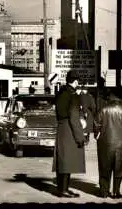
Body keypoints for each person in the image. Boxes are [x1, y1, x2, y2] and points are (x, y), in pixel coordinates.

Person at [94, 88, 122, 199]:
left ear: (112, 96)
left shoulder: (103, 109)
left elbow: (96, 125)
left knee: (104, 167)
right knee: (119, 168)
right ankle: (116, 192)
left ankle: (104, 191)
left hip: (105, 143)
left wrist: (97, 136)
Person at [52, 70, 86, 198]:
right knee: (68, 160)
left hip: (61, 128)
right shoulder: (73, 95)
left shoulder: (61, 92)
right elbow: (74, 117)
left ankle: (62, 188)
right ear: (76, 81)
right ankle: (63, 190)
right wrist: (80, 137)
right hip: (69, 129)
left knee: (62, 159)